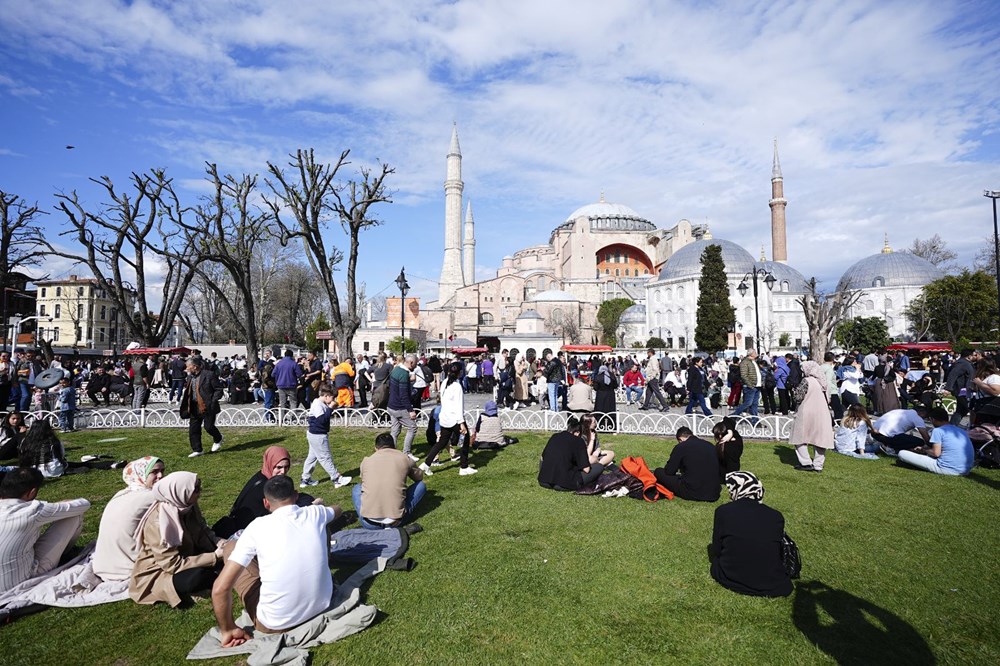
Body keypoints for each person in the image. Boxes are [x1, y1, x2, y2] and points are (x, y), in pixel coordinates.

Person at [211, 475, 343, 645]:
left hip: (275, 624)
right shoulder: (314, 513)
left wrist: (228, 629)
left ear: (266, 503)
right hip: (322, 603)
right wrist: (317, 508)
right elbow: (337, 509)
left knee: (231, 547)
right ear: (296, 495)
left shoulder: (257, 527)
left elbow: (219, 589)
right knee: (322, 528)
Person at [129, 472, 226, 607]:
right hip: (161, 572)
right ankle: (190, 591)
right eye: (196, 489)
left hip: (189, 555)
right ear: (180, 492)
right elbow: (172, 564)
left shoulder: (187, 505)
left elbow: (202, 529)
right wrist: (214, 556)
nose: (200, 492)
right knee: (197, 577)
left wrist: (219, 542)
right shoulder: (158, 524)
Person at [0, 467, 90, 591]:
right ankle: (65, 555)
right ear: (31, 492)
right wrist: (61, 504)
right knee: (73, 516)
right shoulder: (33, 510)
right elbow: (84, 504)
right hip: (22, 580)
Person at [709, 471, 793, 598]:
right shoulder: (776, 516)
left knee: (716, 561)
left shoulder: (723, 511)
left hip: (731, 576)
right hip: (773, 582)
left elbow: (717, 549)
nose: (730, 494)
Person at [213, 446, 320, 539]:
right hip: (246, 530)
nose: (283, 472)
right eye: (278, 467)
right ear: (270, 464)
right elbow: (287, 511)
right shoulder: (269, 486)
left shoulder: (261, 475)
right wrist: (313, 505)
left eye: (286, 467)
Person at [92, 456, 166, 581]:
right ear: (141, 474)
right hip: (129, 568)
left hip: (102, 565)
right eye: (154, 472)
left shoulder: (121, 493)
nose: (160, 476)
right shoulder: (152, 496)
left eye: (162, 471)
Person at [354, 432, 426, 530]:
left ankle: (371, 516)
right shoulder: (404, 458)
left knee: (357, 488)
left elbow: (363, 482)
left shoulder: (366, 461)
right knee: (421, 485)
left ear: (376, 448)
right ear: (394, 446)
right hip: (397, 520)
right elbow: (419, 477)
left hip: (369, 522)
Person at [421, 361, 476, 476]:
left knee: (442, 442)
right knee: (466, 439)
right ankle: (464, 466)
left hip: (445, 417)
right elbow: (459, 405)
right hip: (454, 418)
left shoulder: (444, 382)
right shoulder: (457, 386)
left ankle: (426, 464)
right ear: (460, 373)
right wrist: (461, 423)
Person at [538, 416, 611, 490]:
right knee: (599, 467)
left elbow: (542, 458)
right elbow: (586, 469)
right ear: (577, 433)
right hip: (564, 484)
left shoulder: (555, 436)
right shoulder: (578, 441)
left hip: (543, 480)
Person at [895, 406, 974, 475]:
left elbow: (936, 453)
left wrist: (923, 450)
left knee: (902, 453)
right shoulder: (960, 430)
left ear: (932, 419)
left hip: (947, 468)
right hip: (965, 470)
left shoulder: (938, 431)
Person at [301, 382, 352, 488]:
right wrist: (330, 408)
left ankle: (305, 479)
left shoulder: (319, 403)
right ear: (326, 396)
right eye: (333, 398)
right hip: (318, 435)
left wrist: (329, 408)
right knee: (325, 458)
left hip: (314, 434)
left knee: (312, 457)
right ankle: (337, 479)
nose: (334, 400)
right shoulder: (318, 404)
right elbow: (322, 420)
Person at [651, 426, 721, 501]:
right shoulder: (710, 445)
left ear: (680, 439)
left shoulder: (681, 447)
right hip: (714, 493)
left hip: (693, 492)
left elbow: (669, 471)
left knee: (658, 472)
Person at [788, 360, 834, 472]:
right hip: (822, 413)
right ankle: (818, 464)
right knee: (820, 439)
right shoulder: (823, 382)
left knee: (799, 437)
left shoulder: (806, 381)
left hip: (806, 412)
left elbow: (798, 397)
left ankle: (806, 462)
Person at [179, 357, 224, 458]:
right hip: (194, 406)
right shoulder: (190, 377)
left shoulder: (209, 375)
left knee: (209, 427)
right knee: (193, 429)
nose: (186, 369)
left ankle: (218, 438)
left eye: (188, 367)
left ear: (194, 367)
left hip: (207, 406)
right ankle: (197, 449)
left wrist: (213, 400)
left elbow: (218, 389)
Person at [387, 354, 419, 459]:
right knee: (412, 427)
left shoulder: (396, 369)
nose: (416, 366)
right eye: (416, 364)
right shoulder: (404, 374)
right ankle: (407, 452)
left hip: (391, 405)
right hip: (399, 407)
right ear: (411, 363)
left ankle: (390, 452)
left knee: (395, 430)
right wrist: (410, 410)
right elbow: (403, 395)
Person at [731, 350, 761, 424]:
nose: (756, 354)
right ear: (751, 354)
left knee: (754, 405)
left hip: (757, 386)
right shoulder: (745, 362)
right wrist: (750, 385)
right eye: (755, 352)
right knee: (748, 403)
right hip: (751, 386)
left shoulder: (754, 362)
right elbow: (744, 375)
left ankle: (755, 421)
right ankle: (733, 416)